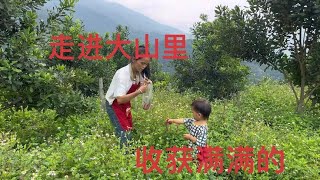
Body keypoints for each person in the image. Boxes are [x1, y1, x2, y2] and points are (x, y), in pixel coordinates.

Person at [105, 45, 152, 148]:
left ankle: (126, 153)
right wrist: (139, 91)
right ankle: (123, 158)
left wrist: (147, 102)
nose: (144, 66)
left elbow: (143, 87)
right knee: (124, 133)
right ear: (133, 59)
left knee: (129, 128)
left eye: (146, 64)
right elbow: (120, 99)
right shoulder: (122, 74)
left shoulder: (140, 73)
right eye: (142, 63)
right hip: (114, 104)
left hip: (125, 103)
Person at [166, 99, 211, 164]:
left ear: (199, 115)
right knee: (191, 157)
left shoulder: (203, 128)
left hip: (199, 151)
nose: (192, 114)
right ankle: (185, 161)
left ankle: (182, 163)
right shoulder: (194, 121)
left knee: (197, 162)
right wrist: (172, 120)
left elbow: (202, 143)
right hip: (193, 148)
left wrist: (190, 137)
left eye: (193, 112)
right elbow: (184, 120)